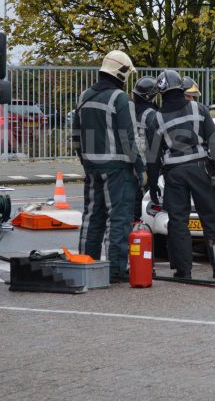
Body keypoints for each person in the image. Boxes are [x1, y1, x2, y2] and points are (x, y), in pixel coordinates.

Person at [147, 69, 215, 279]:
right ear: (180, 87)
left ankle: (184, 271)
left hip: (173, 173)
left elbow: (153, 156)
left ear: (160, 92)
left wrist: (153, 184)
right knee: (210, 218)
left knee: (178, 222)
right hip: (200, 169)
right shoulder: (199, 109)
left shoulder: (156, 118)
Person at [72, 50, 145, 283]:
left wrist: (86, 163)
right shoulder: (121, 99)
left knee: (92, 217)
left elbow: (75, 136)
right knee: (118, 219)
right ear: (122, 73)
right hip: (118, 169)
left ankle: (85, 263)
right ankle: (115, 269)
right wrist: (141, 169)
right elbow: (129, 139)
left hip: (92, 168)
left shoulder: (84, 96)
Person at [132, 76, 159, 220]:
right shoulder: (152, 115)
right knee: (142, 203)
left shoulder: (127, 109)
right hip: (145, 165)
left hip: (126, 163)